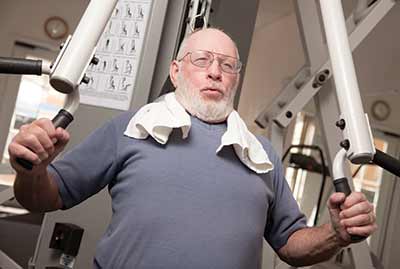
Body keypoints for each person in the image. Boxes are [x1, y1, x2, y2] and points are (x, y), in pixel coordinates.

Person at [8, 28, 376, 269]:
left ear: (235, 78)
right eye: (202, 60)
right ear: (176, 71)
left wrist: (336, 233)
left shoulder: (261, 154)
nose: (215, 71)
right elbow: (44, 198)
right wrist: (31, 169)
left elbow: (291, 245)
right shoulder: (130, 129)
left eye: (227, 65)